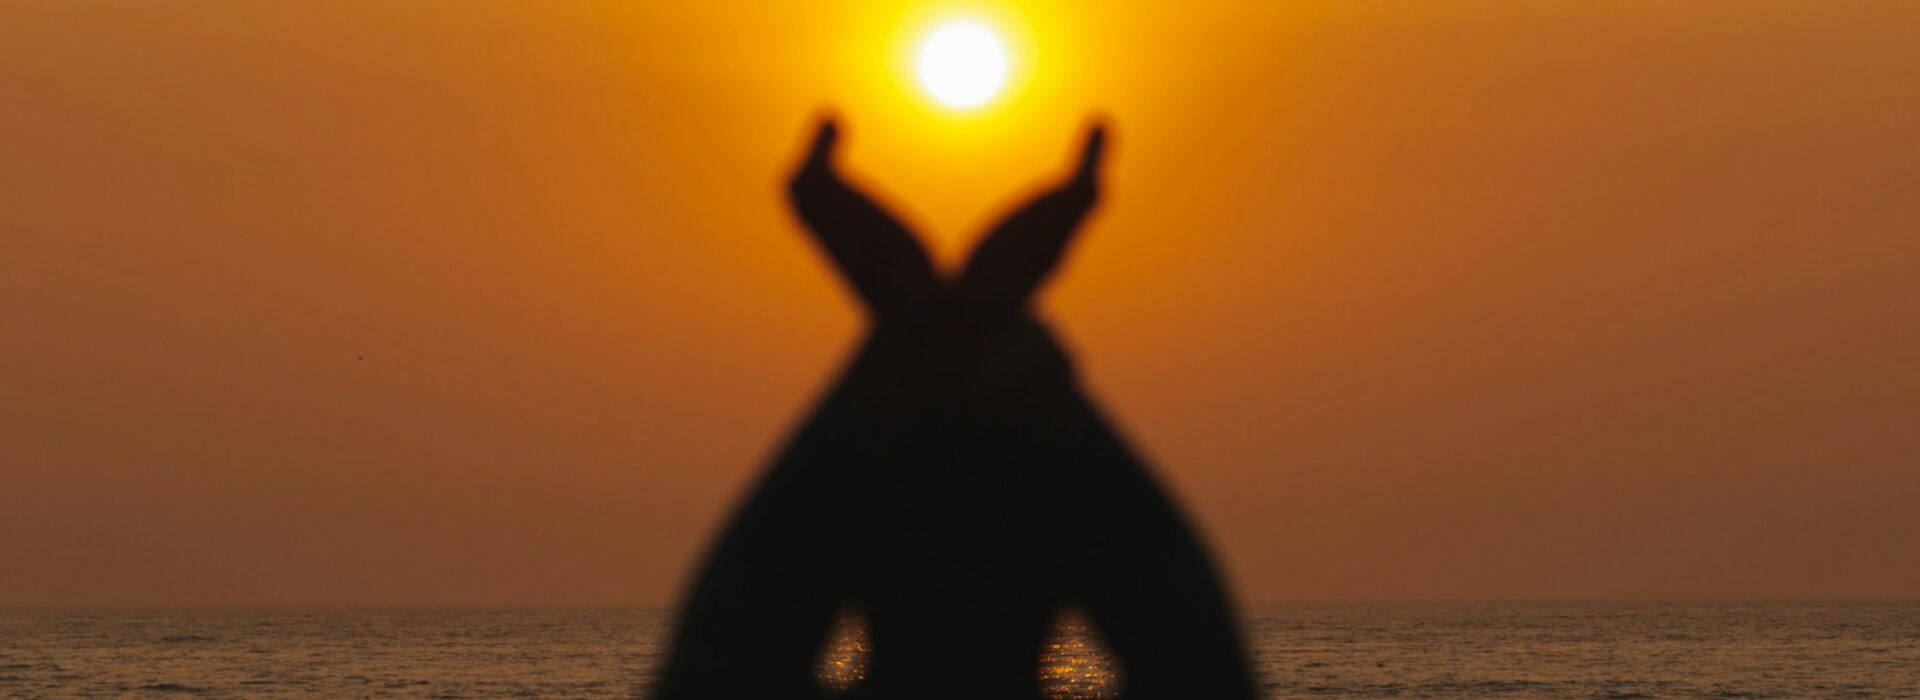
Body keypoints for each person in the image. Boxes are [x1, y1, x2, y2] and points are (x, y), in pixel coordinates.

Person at [651, 118, 1256, 700]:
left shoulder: (800, 568)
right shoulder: (1098, 539)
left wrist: (895, 344)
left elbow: (728, 655)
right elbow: (1194, 655)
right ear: (1058, 569)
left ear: (861, 559)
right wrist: (1024, 366)